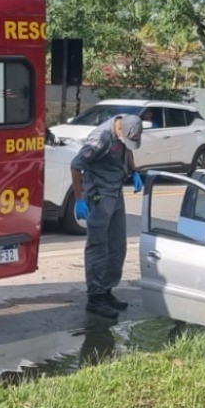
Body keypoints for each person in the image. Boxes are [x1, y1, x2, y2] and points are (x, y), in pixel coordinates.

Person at [71, 112, 144, 319]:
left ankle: (106, 290)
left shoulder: (126, 129)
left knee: (117, 246)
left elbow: (128, 150)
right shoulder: (100, 138)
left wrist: (134, 171)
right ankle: (95, 298)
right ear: (120, 129)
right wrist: (79, 199)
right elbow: (76, 166)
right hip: (98, 195)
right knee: (98, 247)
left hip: (116, 190)